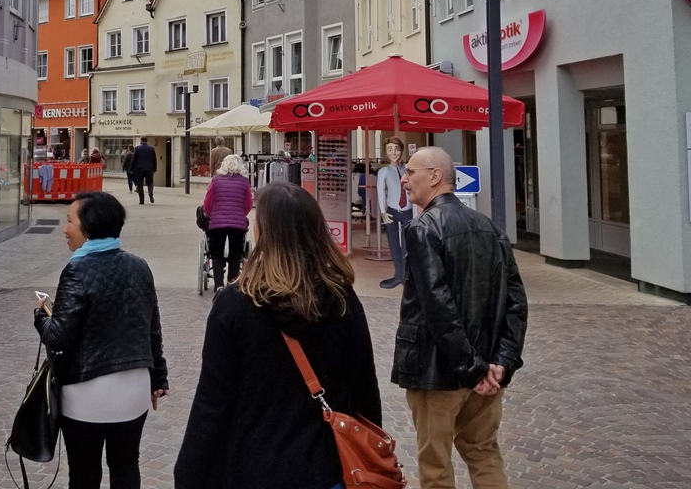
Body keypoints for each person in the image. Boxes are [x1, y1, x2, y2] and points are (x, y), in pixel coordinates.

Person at [175, 181, 381, 489]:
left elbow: (212, 403)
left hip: (251, 465)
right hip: (325, 467)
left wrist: (188, 474)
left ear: (262, 233)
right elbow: (364, 389)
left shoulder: (235, 304)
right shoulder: (341, 299)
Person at [394, 146, 528, 489]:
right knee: (484, 453)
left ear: (435, 176)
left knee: (435, 465)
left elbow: (437, 306)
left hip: (438, 373)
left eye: (410, 172)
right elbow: (516, 302)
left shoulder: (423, 228)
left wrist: (473, 369)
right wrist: (501, 361)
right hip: (487, 371)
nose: (405, 180)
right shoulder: (491, 229)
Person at [34, 191, 168, 489]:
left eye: (69, 221)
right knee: (126, 467)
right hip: (135, 389)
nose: (64, 229)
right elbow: (151, 326)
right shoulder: (139, 265)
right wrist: (159, 377)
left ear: (88, 227)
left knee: (84, 473)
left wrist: (41, 317)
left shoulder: (77, 270)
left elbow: (59, 337)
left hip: (87, 394)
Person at [202, 154, 253, 292]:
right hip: (238, 225)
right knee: (235, 256)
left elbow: (208, 202)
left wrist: (208, 214)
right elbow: (248, 203)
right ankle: (232, 285)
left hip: (217, 224)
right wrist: (241, 214)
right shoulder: (244, 182)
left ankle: (219, 286)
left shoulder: (216, 180)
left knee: (217, 255)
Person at [377, 136, 412, 289]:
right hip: (391, 210)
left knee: (407, 243)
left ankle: (406, 275)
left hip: (408, 211)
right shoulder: (384, 171)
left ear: (401, 151)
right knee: (393, 243)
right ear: (386, 152)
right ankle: (398, 275)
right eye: (390, 149)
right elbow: (380, 191)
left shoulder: (407, 169)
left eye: (397, 149)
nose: (394, 152)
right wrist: (383, 211)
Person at [130, 137, 156, 205]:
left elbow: (133, 159)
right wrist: (155, 169)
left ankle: (142, 200)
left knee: (140, 184)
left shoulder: (137, 148)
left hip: (139, 169)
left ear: (141, 141)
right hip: (149, 168)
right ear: (146, 141)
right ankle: (150, 192)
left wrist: (131, 169)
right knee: (150, 182)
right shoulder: (151, 148)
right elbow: (154, 159)